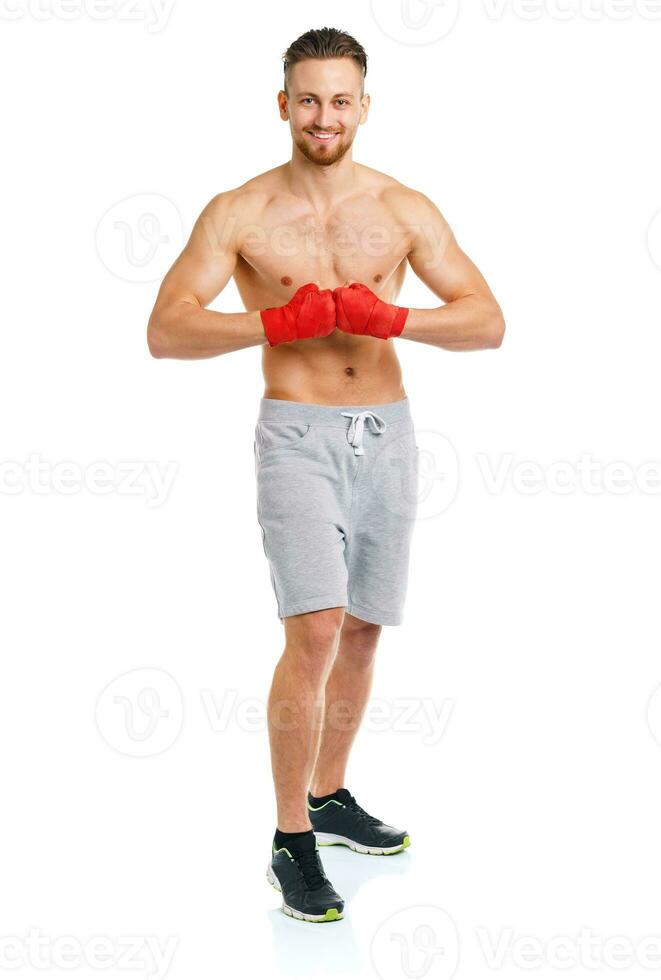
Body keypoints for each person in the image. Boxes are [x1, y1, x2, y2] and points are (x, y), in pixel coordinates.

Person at [147, 26, 505, 923]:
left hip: (386, 432)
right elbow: (166, 329)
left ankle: (330, 796)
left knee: (363, 631)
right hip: (296, 434)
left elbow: (486, 320)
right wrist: (270, 327)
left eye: (339, 100)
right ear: (282, 104)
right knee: (313, 628)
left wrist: (394, 318)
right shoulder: (238, 212)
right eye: (307, 99)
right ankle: (289, 841)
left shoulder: (402, 207)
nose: (323, 116)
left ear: (363, 107)